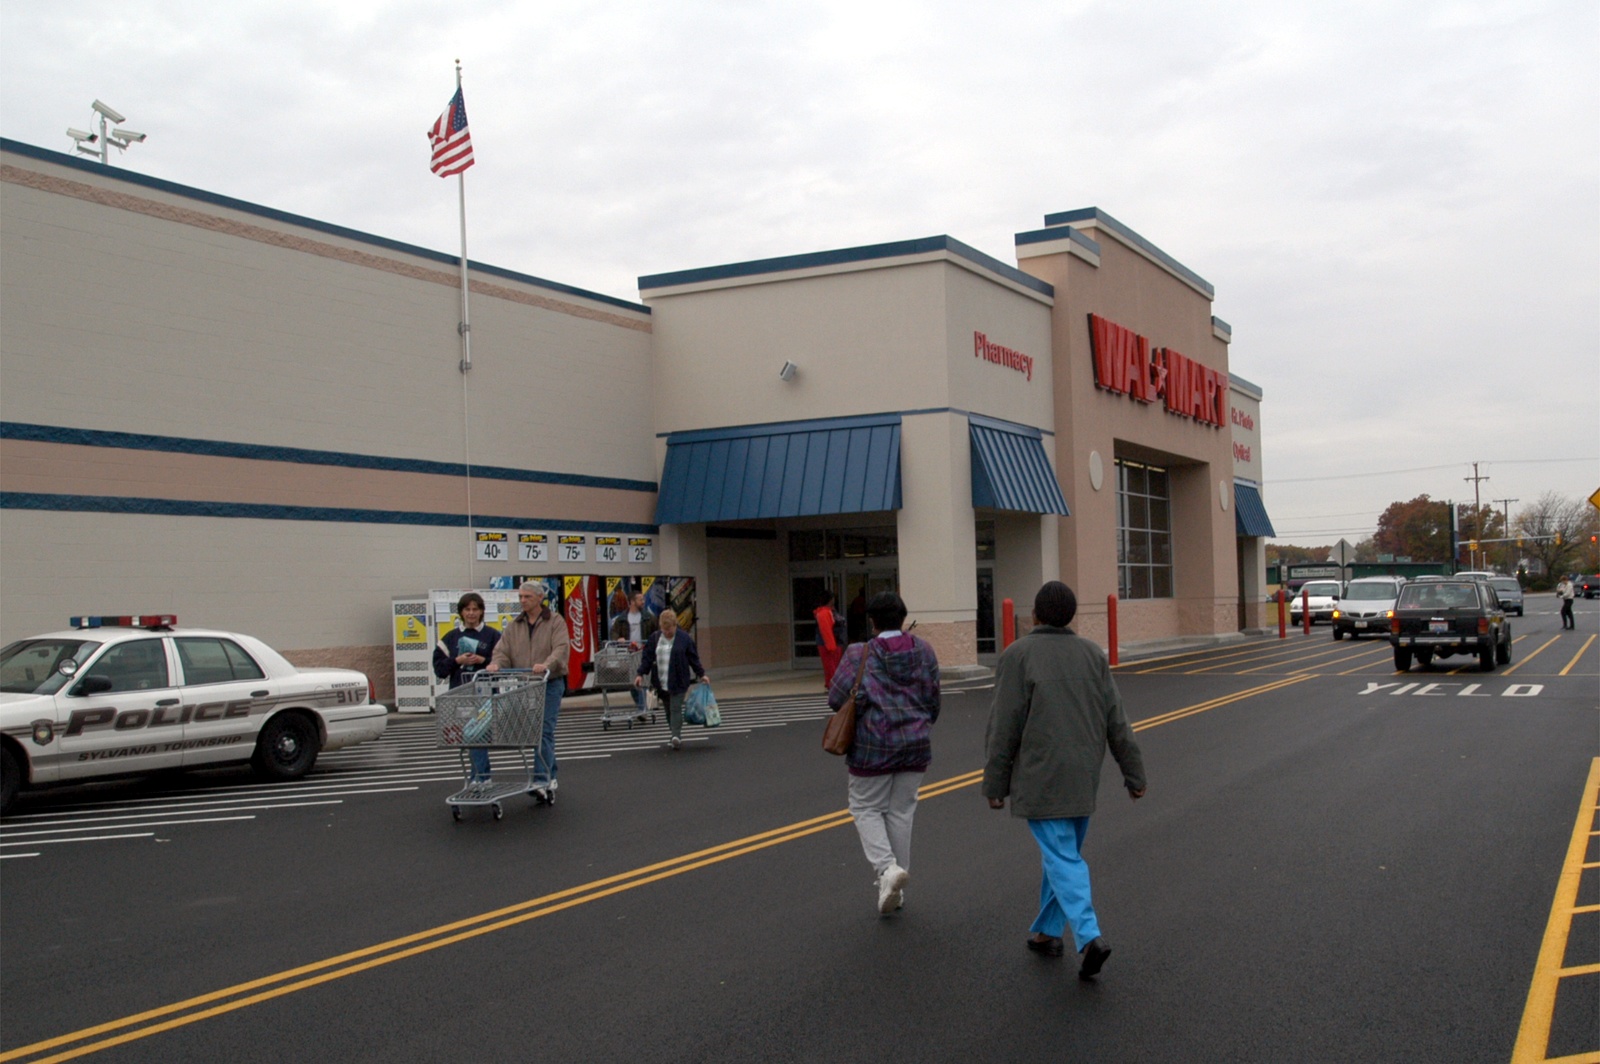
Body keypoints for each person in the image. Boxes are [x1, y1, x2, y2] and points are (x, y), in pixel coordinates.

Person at [983, 580, 1146, 981]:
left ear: (1034, 615)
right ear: (1071, 616)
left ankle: (1090, 936)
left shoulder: (1017, 656)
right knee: (1061, 855)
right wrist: (1133, 773)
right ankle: (1045, 932)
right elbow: (1117, 720)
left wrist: (995, 783)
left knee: (1062, 857)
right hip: (1084, 773)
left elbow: (1004, 724)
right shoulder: (1092, 654)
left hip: (1042, 775)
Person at [827, 591, 940, 916]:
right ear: (903, 617)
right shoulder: (924, 650)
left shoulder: (859, 653)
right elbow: (934, 698)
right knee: (901, 812)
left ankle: (887, 871)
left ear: (872, 621)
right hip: (916, 743)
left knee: (865, 808)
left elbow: (837, 697)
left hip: (873, 747)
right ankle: (895, 887)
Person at [486, 580, 570, 797]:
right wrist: (497, 664)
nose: (522, 600)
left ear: (539, 598)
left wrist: (546, 665)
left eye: (527, 597)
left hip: (550, 682)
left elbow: (561, 648)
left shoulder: (554, 621)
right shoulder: (515, 625)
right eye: (521, 597)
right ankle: (550, 773)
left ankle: (541, 780)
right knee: (535, 731)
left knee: (543, 730)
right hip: (525, 684)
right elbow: (502, 650)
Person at [433, 593, 502, 784]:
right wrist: (457, 660)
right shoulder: (450, 638)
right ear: (461, 613)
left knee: (477, 735)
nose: (471, 614)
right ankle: (480, 777)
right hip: (461, 695)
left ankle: (479, 778)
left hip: (486, 696)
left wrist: (484, 661)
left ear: (481, 612)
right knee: (470, 737)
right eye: (467, 609)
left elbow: (503, 664)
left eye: (475, 609)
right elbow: (439, 670)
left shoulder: (493, 635)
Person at [633, 609, 707, 750]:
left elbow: (693, 658)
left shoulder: (684, 638)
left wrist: (701, 674)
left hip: (679, 680)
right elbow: (647, 658)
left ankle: (676, 736)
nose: (667, 632)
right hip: (660, 681)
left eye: (669, 629)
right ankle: (673, 732)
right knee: (668, 710)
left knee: (675, 707)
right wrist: (640, 674)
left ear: (675, 625)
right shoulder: (655, 638)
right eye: (664, 629)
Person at [610, 591, 658, 717]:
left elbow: (656, 632)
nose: (643, 602)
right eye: (640, 599)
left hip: (644, 652)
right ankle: (641, 706)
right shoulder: (621, 619)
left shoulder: (648, 617)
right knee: (632, 682)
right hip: (629, 653)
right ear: (631, 602)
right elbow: (614, 632)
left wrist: (653, 644)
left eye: (643, 599)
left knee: (642, 680)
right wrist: (618, 639)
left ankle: (642, 709)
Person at [813, 590, 846, 688]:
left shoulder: (826, 611)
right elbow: (826, 631)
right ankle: (832, 684)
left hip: (832, 642)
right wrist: (831, 646)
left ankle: (831, 683)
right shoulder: (824, 613)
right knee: (831, 665)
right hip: (829, 643)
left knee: (832, 665)